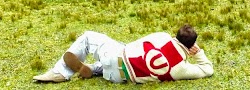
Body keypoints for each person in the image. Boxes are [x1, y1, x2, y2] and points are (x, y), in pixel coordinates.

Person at [33, 24, 213, 84]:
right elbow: (207, 70)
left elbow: (137, 44)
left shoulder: (162, 37)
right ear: (190, 46)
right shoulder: (181, 68)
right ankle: (95, 69)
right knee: (118, 64)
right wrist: (198, 54)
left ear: (176, 35)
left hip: (118, 57)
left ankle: (60, 72)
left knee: (89, 37)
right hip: (118, 77)